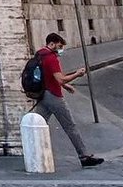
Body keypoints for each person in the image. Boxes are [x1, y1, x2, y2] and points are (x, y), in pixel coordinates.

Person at [33, 32, 104, 168]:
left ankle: (32, 153)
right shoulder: (52, 58)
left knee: (37, 126)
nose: (60, 50)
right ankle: (84, 156)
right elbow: (60, 78)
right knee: (70, 126)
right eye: (59, 46)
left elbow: (48, 77)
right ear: (52, 43)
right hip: (53, 96)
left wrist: (65, 86)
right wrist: (77, 74)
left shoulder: (40, 54)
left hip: (43, 95)